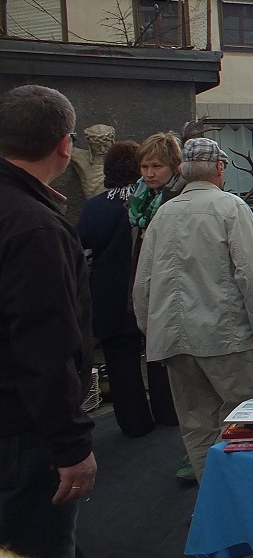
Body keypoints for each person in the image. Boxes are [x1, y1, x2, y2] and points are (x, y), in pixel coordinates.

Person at [133, 138, 253, 481]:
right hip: (226, 336)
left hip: (174, 338)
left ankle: (212, 500)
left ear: (181, 170)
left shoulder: (163, 213)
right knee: (247, 420)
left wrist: (151, 329)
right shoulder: (231, 208)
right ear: (220, 168)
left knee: (197, 428)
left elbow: (142, 284)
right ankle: (247, 499)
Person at [0, 85, 96, 558]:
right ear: (65, 145)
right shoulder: (34, 227)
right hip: (24, 432)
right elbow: (43, 347)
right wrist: (71, 444)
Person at [76, 140, 155, 438]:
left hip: (110, 294)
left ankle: (134, 423)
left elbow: (83, 251)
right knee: (159, 356)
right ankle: (167, 412)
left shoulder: (95, 207)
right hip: (148, 288)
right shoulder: (151, 200)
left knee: (121, 361)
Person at [129, 132, 184, 475]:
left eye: (155, 166)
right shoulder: (141, 198)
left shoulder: (174, 200)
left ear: (174, 167)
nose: (148, 173)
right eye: (144, 166)